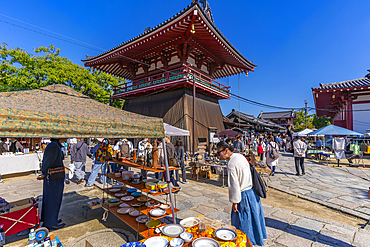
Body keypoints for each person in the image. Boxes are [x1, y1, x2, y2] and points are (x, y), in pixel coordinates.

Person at [216, 141, 267, 246]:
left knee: (243, 221)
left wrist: (235, 202)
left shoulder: (231, 163)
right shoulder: (240, 156)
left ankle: (245, 243)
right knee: (254, 218)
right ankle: (255, 239)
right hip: (252, 193)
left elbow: (234, 185)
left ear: (226, 150)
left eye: (219, 152)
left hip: (243, 195)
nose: (218, 155)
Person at [37, 138, 65, 229]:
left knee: (53, 199)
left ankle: (51, 219)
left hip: (54, 177)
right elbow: (48, 162)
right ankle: (50, 222)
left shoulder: (54, 145)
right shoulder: (54, 146)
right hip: (53, 178)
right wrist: (44, 173)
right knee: (53, 200)